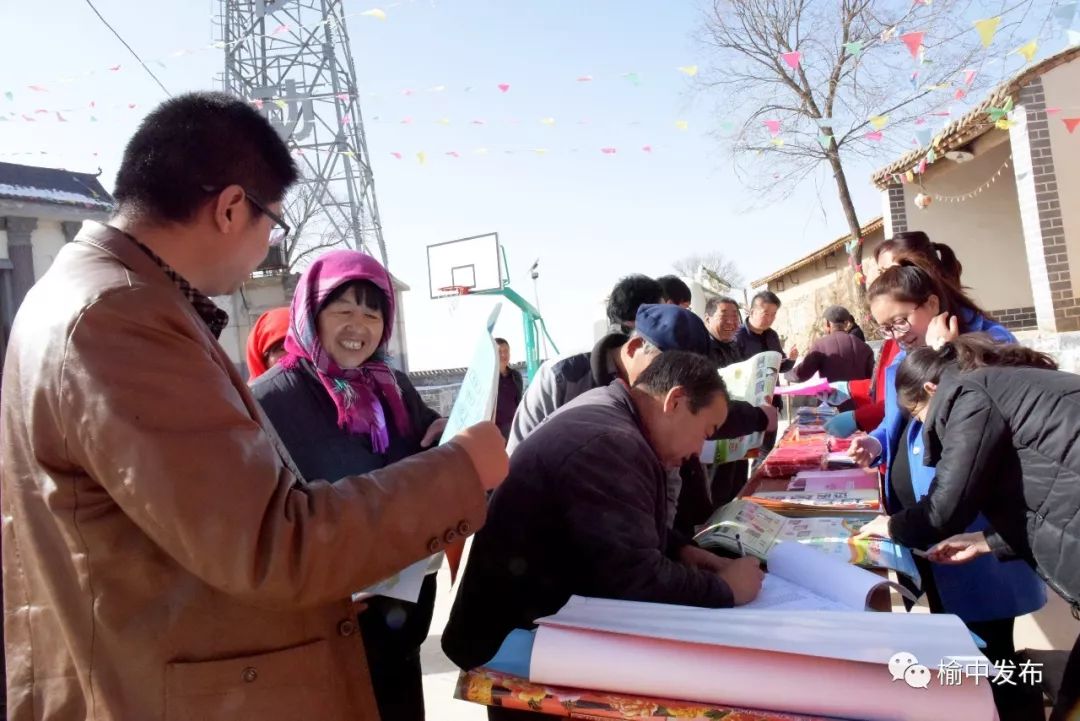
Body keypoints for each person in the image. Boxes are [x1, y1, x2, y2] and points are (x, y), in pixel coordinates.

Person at [0, 91, 508, 721]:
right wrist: (458, 470)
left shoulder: (92, 297)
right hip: (170, 686)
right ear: (232, 208)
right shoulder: (120, 318)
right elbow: (270, 543)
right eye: (274, 222)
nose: (269, 243)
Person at [443, 351, 765, 721]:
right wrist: (727, 590)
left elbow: (611, 522)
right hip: (518, 649)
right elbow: (633, 578)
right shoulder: (612, 441)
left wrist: (682, 550)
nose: (697, 452)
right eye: (705, 433)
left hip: (539, 631)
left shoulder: (611, 413)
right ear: (674, 401)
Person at [251, 249, 456, 721]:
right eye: (342, 310)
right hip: (331, 621)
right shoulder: (270, 399)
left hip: (403, 615)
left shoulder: (394, 387)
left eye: (372, 312)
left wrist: (446, 434)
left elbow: (422, 460)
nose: (358, 325)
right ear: (310, 314)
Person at [847, 262, 1046, 721]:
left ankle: (1018, 707)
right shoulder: (907, 350)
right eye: (885, 327)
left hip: (971, 523)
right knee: (957, 641)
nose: (897, 335)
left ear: (932, 304)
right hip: (928, 524)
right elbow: (897, 418)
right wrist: (876, 441)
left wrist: (946, 353)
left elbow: (983, 418)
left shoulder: (989, 341)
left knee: (994, 647)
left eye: (900, 321)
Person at [861, 336, 1078, 721]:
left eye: (919, 416)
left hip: (996, 583)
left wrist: (892, 526)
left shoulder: (969, 395)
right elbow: (1050, 501)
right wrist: (985, 541)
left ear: (931, 389)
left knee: (1007, 664)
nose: (924, 428)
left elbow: (945, 509)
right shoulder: (997, 384)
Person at [826, 232, 963, 438]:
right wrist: (878, 443)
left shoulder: (974, 335)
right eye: (881, 274)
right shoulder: (903, 333)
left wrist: (945, 357)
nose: (886, 281)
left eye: (889, 272)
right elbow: (891, 397)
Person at [734, 290, 795, 463]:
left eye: (774, 314)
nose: (770, 318)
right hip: (747, 404)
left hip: (771, 402)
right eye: (766, 313)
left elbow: (780, 367)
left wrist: (790, 359)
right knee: (743, 455)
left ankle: (758, 488)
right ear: (752, 311)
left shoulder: (772, 335)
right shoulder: (738, 337)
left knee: (765, 454)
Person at [785, 305, 874, 410]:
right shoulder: (864, 346)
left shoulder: (820, 345)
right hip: (860, 406)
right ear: (846, 323)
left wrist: (787, 373)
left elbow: (801, 374)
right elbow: (873, 378)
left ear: (827, 323)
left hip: (832, 407)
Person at [246, 306, 290, 381]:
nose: (293, 357)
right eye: (282, 349)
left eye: (299, 348)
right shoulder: (248, 392)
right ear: (263, 360)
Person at [494, 337, 524, 440]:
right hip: (496, 432)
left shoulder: (516, 376)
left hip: (515, 428)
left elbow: (519, 402)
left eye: (506, 351)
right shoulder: (489, 378)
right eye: (499, 352)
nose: (503, 355)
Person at [702, 295, 744, 367]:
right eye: (723, 316)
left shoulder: (735, 345)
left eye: (735, 316)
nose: (730, 322)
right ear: (707, 319)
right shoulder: (701, 350)